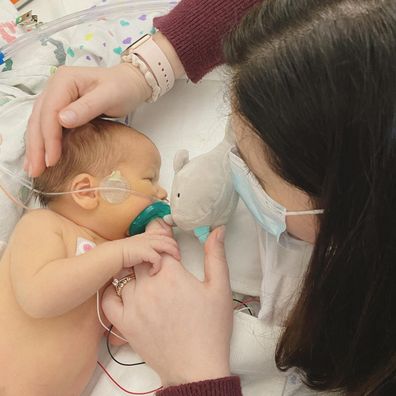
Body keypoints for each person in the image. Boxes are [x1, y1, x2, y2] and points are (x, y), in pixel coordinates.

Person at [25, 0, 396, 395]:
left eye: (254, 172)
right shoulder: (39, 225)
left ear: (355, 213)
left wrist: (194, 375)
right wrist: (146, 69)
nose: (162, 190)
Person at [0, 119, 181, 396]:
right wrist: (118, 253)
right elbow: (38, 297)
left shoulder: (113, 262)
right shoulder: (44, 226)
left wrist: (141, 289)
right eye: (149, 178)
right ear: (86, 191)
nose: (162, 193)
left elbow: (116, 338)